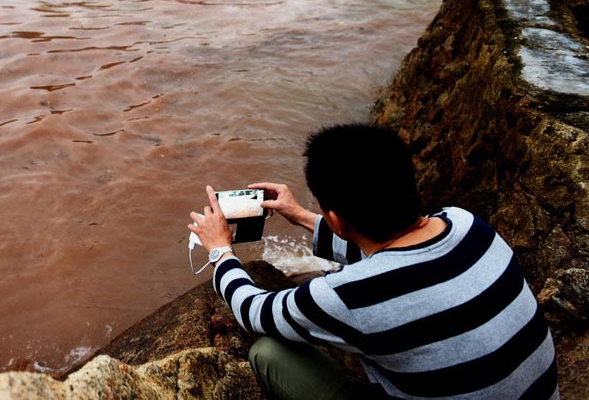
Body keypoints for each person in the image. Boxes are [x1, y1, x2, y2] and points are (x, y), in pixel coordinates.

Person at [188, 124, 558, 400]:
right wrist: (300, 215)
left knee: (268, 353)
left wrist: (220, 250)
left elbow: (255, 311)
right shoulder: (467, 224)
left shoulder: (352, 296)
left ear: (339, 220)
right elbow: (390, 253)